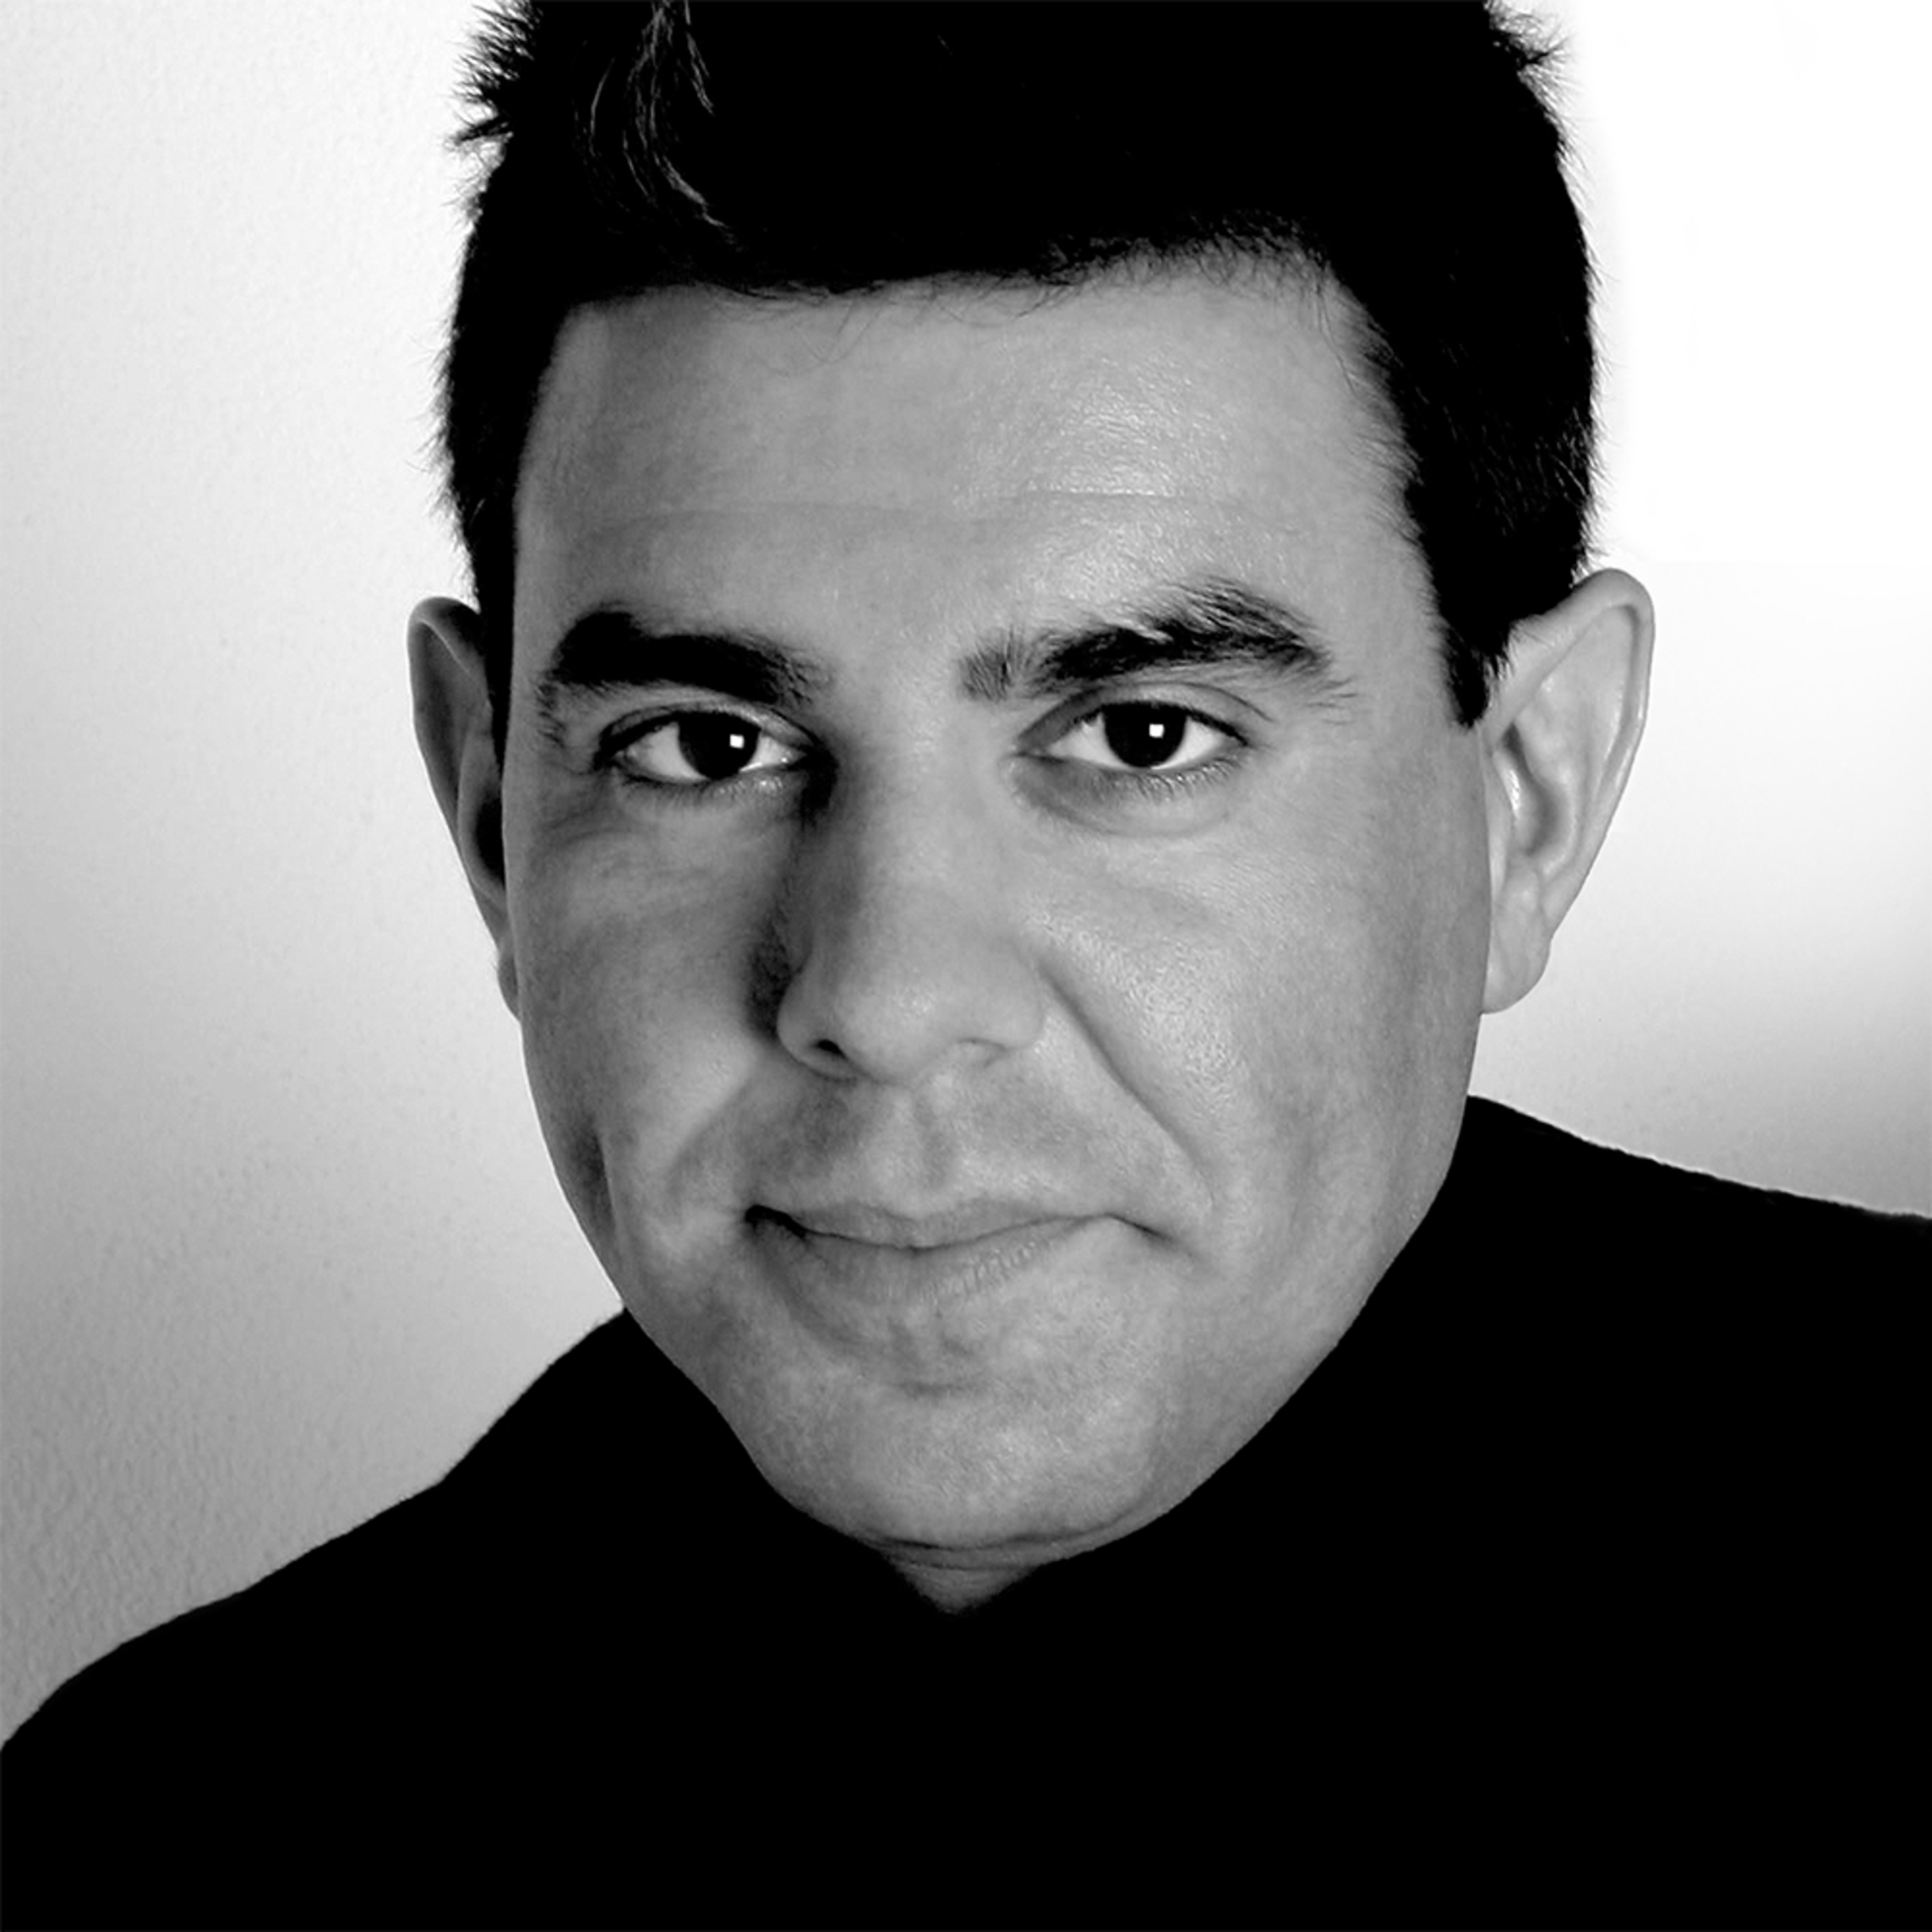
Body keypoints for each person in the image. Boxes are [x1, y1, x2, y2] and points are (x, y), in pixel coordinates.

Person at [3, 4, 1922, 1927]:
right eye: (705, 746)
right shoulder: (144, 1857)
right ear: (492, 812)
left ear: (1527, 792)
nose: (886, 996)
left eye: (1143, 736)